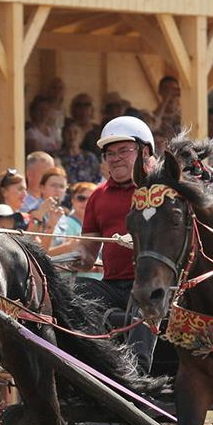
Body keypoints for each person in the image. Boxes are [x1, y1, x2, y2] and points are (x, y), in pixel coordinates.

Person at [72, 115, 161, 366]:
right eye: (109, 153)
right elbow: (88, 254)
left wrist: (139, 239)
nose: (115, 158)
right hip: (113, 286)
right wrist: (77, 257)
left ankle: (137, 372)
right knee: (72, 290)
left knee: (147, 294)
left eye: (124, 150)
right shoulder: (97, 196)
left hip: (153, 284)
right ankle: (82, 364)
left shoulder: (161, 190)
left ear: (145, 151)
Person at [49, 181, 100, 279]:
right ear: (72, 200)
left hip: (96, 281)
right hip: (73, 282)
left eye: (91, 199)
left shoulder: (99, 224)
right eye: (81, 198)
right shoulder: (64, 223)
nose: (86, 203)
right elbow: (50, 256)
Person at [55, 119, 100, 184]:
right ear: (63, 135)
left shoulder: (90, 158)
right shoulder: (57, 157)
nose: (72, 136)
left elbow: (98, 179)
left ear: (81, 136)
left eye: (75, 132)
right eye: (68, 133)